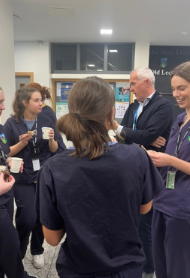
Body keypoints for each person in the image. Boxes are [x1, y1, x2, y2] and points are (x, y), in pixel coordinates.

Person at [36, 76, 164, 278]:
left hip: (78, 269)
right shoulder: (137, 157)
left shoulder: (53, 168)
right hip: (127, 268)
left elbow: (52, 238)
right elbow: (145, 208)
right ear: (111, 114)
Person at [112, 68, 173, 278]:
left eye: (133, 84)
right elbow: (126, 137)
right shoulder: (133, 106)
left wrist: (125, 130)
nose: (130, 89)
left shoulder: (163, 106)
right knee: (132, 217)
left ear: (146, 82)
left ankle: (148, 269)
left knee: (146, 221)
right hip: (131, 167)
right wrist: (142, 137)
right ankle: (135, 259)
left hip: (151, 170)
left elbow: (139, 133)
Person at [4, 87, 65, 269]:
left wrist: (52, 139)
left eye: (41, 100)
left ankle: (37, 250)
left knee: (41, 215)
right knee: (27, 217)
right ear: (25, 103)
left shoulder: (46, 120)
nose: (41, 104)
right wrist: (21, 143)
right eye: (37, 100)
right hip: (22, 176)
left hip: (43, 174)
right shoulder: (11, 123)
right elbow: (6, 153)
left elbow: (55, 149)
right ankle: (20, 250)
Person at [147, 61, 190, 278]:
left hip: (182, 207)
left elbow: (173, 160)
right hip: (163, 199)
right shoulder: (180, 119)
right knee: (160, 261)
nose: (176, 94)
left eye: (181, 88)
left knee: (178, 265)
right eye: (173, 89)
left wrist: (170, 161)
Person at [0, 82, 37, 278]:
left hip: (5, 195)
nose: (3, 107)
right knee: (9, 241)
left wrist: (10, 162)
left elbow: (3, 154)